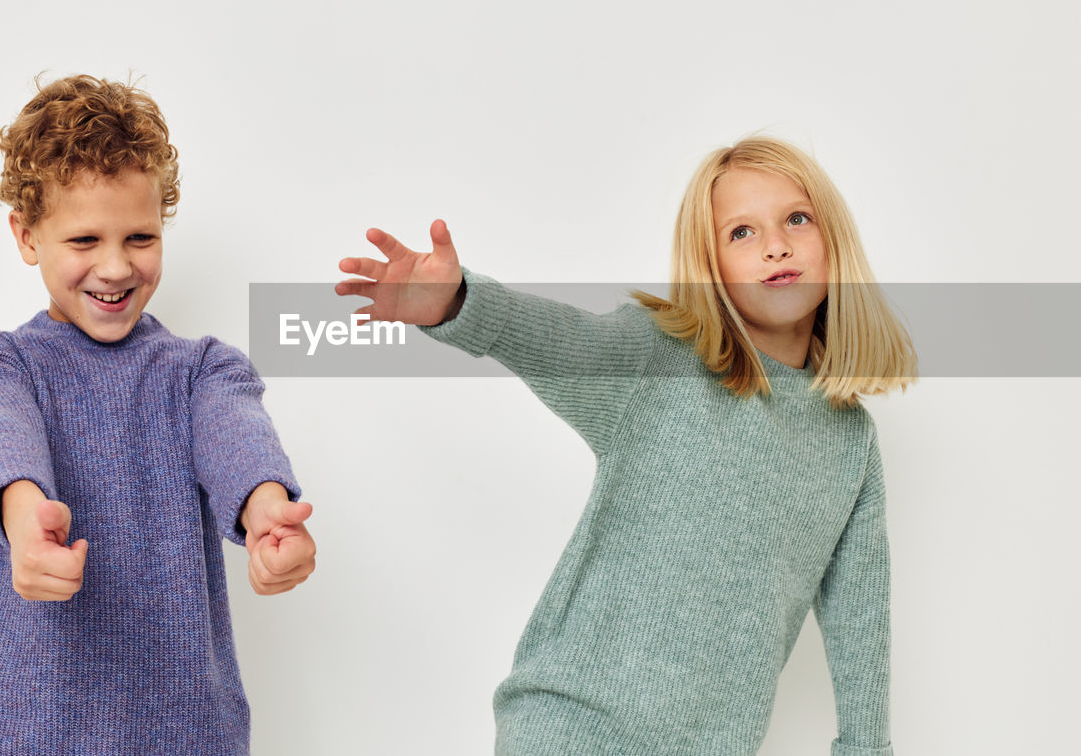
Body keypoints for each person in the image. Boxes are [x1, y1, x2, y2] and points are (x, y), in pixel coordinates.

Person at [336, 137, 915, 756]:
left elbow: (861, 618)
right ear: (711, 266)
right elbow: (560, 341)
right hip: (568, 729)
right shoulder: (660, 360)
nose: (775, 244)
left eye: (796, 219)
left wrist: (867, 747)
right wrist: (458, 303)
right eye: (741, 232)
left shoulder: (849, 443)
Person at [0, 75, 316, 756]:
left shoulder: (202, 369)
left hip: (186, 732)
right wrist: (26, 521)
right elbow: (2, 439)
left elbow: (236, 435)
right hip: (30, 732)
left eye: (140, 237)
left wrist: (266, 509)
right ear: (27, 236)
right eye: (84, 239)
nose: (115, 266)